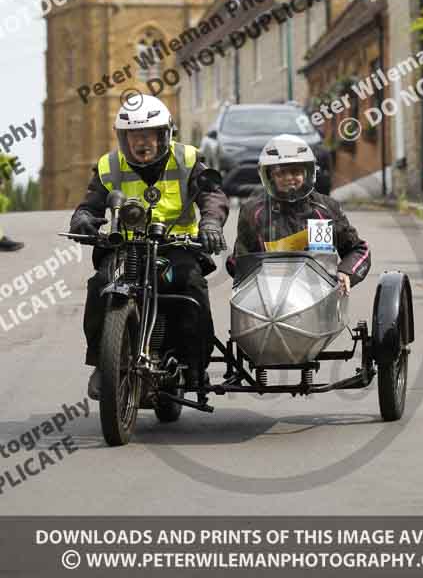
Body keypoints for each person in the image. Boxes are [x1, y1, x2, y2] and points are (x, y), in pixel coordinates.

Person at [69, 95, 229, 400]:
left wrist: (210, 224)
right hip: (127, 249)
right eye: (134, 136)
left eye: (149, 135)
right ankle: (102, 364)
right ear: (123, 138)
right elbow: (89, 204)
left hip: (176, 246)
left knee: (191, 285)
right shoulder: (110, 165)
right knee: (101, 284)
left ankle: (195, 364)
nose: (142, 143)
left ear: (164, 135)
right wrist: (83, 220)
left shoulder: (188, 158)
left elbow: (213, 197)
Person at [227, 135, 370, 293]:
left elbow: (358, 249)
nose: (289, 178)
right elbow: (239, 262)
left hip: (320, 296)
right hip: (268, 298)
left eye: (295, 172)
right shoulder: (253, 212)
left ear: (308, 173)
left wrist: (345, 272)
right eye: (280, 173)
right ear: (269, 176)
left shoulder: (325, 209)